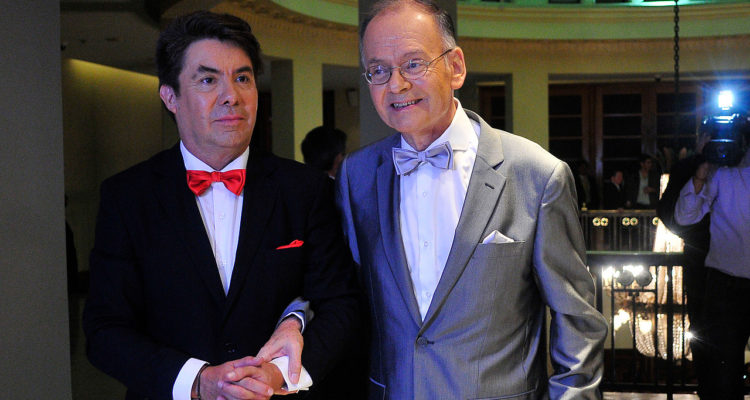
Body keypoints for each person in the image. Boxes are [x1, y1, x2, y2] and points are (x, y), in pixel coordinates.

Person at [335, 1, 608, 398]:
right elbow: (342, 296)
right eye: (379, 70)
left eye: (413, 64)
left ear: (456, 67)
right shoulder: (356, 175)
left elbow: (577, 322)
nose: (396, 85)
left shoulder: (537, 175)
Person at [83, 11, 359, 400]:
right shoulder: (127, 196)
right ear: (170, 97)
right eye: (208, 80)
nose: (232, 96)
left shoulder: (305, 189)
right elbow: (105, 330)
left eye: (243, 78)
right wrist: (197, 381)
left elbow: (339, 303)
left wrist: (279, 373)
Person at [675, 148, 750, 400]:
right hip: (725, 283)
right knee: (724, 374)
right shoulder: (721, 173)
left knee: (725, 373)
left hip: (724, 283)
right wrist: (700, 175)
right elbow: (685, 216)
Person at [656, 152, 710, 396]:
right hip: (703, 269)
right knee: (705, 339)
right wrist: (698, 178)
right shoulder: (690, 168)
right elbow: (678, 219)